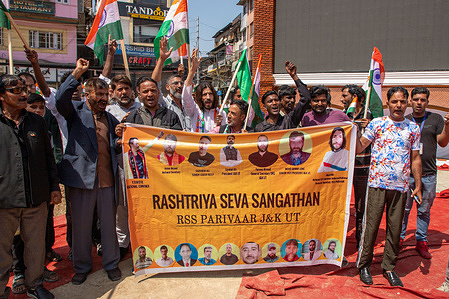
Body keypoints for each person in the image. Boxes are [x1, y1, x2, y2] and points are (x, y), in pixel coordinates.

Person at [55, 59, 122, 285]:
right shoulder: (74, 111)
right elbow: (60, 98)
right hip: (82, 180)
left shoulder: (111, 119)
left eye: (106, 95)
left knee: (109, 227)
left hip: (106, 181)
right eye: (99, 94)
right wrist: (77, 72)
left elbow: (115, 146)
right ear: (87, 94)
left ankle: (111, 264)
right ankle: (82, 267)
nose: (104, 99)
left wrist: (121, 136)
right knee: (82, 228)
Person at [0, 74, 62, 299]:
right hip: (4, 199)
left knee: (36, 246)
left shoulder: (36, 122)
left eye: (23, 89)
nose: (23, 94)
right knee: (2, 250)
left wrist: (54, 187)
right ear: (1, 96)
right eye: (15, 91)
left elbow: (48, 158)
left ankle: (35, 284)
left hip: (36, 197)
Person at [356, 86, 422, 287]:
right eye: (395, 101)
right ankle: (364, 265)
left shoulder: (413, 129)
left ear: (407, 103)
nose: (399, 105)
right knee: (371, 227)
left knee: (395, 230)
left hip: (400, 187)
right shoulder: (377, 124)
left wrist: (417, 185)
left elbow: (416, 158)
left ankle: (389, 267)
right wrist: (354, 130)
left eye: (402, 101)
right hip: (376, 184)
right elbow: (360, 147)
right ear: (388, 103)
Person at [400, 87, 449, 259]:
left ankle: (421, 241)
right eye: (416, 99)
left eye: (423, 100)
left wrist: (448, 125)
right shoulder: (405, 120)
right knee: (403, 210)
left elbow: (442, 143)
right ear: (410, 101)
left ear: (427, 102)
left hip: (428, 174)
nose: (419, 103)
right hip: (407, 175)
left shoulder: (435, 119)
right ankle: (399, 239)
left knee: (424, 211)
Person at [341, 84, 373, 248]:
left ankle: (361, 236)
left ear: (355, 98)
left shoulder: (369, 117)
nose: (341, 99)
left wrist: (369, 128)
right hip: (343, 168)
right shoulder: (342, 116)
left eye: (345, 96)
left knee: (361, 204)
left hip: (363, 167)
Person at [254, 62, 310, 132]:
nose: (274, 103)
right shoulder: (259, 128)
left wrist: (294, 76)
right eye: (270, 101)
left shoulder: (289, 120)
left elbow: (306, 98)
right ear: (265, 106)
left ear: (280, 102)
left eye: (276, 100)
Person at [182, 49, 226, 133]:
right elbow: (186, 97)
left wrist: (221, 125)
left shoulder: (221, 113)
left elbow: (225, 135)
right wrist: (192, 71)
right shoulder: (195, 111)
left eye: (210, 94)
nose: (208, 97)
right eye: (204, 95)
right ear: (200, 97)